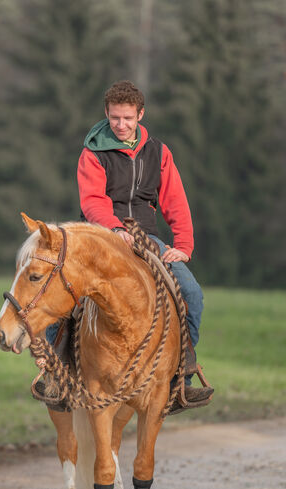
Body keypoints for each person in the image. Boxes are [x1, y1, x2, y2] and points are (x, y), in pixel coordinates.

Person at [76, 79, 213, 405]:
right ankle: (56, 371)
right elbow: (93, 201)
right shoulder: (93, 152)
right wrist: (114, 228)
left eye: (127, 118)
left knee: (191, 293)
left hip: (146, 236)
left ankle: (182, 375)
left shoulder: (158, 152)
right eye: (114, 118)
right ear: (106, 114)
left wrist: (184, 246)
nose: (121, 125)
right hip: (99, 234)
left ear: (140, 115)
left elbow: (175, 201)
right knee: (63, 288)